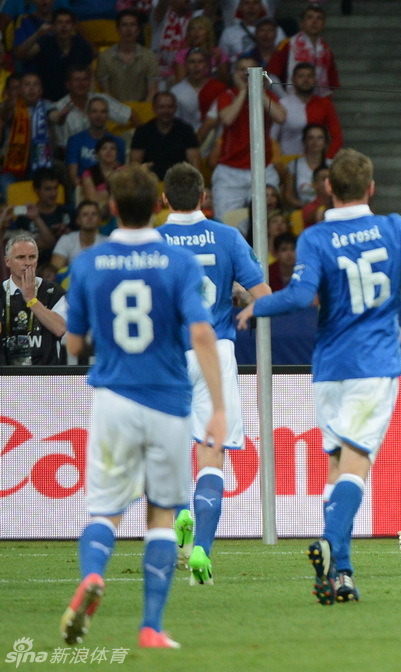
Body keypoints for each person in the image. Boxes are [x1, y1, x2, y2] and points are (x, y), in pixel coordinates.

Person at [234, 148, 401, 603]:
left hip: (329, 370)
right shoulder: (393, 227)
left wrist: (259, 304)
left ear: (328, 189)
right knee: (357, 467)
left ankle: (342, 574)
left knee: (337, 467)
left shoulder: (316, 237)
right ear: (371, 188)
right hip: (374, 367)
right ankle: (332, 544)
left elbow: (299, 296)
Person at [60, 166, 225, 649]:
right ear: (157, 205)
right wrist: (216, 406)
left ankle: (93, 575)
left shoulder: (88, 263)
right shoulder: (178, 263)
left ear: (111, 208)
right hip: (169, 403)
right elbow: (200, 333)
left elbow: (73, 340)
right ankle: (151, 627)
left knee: (106, 509)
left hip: (114, 399)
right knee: (160, 515)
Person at [156, 162, 271, 586]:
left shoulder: (151, 240)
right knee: (212, 455)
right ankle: (202, 545)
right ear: (204, 197)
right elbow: (264, 296)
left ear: (164, 198)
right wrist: (238, 298)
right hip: (215, 352)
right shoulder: (227, 237)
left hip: (166, 354)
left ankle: (178, 515)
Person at [208, 56, 287, 237]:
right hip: (230, 172)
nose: (246, 73)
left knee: (269, 221)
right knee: (226, 225)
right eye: (241, 69)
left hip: (263, 168)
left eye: (251, 70)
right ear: (235, 73)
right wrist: (244, 91)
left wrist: (258, 90)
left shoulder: (267, 96)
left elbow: (281, 117)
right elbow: (227, 119)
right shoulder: (227, 96)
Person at [1, 232, 66, 365]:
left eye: (32, 257)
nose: (27, 263)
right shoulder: (1, 292)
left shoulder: (53, 292)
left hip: (46, 376)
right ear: (7, 261)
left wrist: (31, 299)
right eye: (21, 257)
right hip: (5, 377)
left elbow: (60, 329)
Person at [270, 63, 343, 160]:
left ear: (315, 80)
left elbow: (337, 137)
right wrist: (278, 162)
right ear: (293, 79)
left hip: (317, 163)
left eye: (310, 76)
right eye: (301, 76)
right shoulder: (282, 104)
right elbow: (272, 138)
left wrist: (326, 160)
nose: (306, 80)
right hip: (288, 161)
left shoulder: (325, 105)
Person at [129, 92, 201, 181]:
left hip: (179, 181)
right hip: (150, 182)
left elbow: (195, 162)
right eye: (161, 107)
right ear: (154, 108)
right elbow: (135, 164)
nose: (166, 111)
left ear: (175, 108)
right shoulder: (142, 131)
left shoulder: (186, 130)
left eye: (170, 106)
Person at [95, 10, 160, 102]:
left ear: (138, 30)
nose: (128, 29)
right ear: (118, 29)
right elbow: (106, 92)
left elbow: (152, 92)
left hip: (142, 108)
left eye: (133, 25)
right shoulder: (105, 57)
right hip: (115, 109)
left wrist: (143, 111)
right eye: (124, 25)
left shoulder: (150, 56)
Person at [65, 97, 126, 190]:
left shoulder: (118, 142)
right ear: (87, 114)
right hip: (83, 190)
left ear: (107, 115)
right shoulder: (75, 140)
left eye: (103, 112)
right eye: (94, 111)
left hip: (112, 190)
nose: (99, 115)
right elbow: (73, 177)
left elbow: (120, 172)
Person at [49, 199, 105, 272]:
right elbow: (54, 271)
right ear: (78, 220)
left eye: (94, 214)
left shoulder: (106, 242)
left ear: (99, 219)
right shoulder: (66, 240)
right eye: (85, 214)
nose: (90, 217)